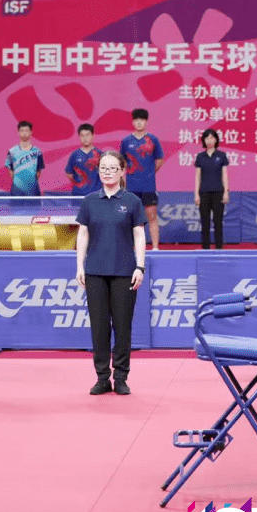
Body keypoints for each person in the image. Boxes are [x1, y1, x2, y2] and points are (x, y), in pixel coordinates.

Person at [75, 151, 147, 396]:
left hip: (124, 272)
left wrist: (140, 266)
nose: (107, 171)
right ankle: (102, 377)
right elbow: (82, 234)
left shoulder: (132, 201)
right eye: (103, 167)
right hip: (95, 272)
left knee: (122, 326)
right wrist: (80, 266)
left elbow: (139, 235)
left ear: (122, 171)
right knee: (99, 327)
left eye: (112, 167)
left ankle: (122, 377)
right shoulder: (90, 201)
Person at [120, 108, 164, 250]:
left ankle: (155, 247)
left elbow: (159, 160)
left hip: (148, 186)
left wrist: (150, 172)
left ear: (146, 122)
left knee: (151, 216)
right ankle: (131, 248)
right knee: (132, 219)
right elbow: (123, 162)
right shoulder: (126, 141)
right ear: (133, 122)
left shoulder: (153, 139)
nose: (139, 122)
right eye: (136, 120)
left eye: (142, 120)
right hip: (131, 187)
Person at [194, 128, 229, 250]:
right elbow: (197, 177)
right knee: (205, 222)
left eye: (212, 138)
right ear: (203, 140)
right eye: (207, 138)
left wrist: (226, 192)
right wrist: (196, 194)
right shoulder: (200, 157)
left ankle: (219, 248)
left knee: (218, 222)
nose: (209, 140)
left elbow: (225, 175)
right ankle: (206, 248)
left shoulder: (221, 156)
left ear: (216, 140)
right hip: (204, 192)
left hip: (218, 192)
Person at [5, 120, 44, 196]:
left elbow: (39, 171)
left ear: (31, 132)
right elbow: (10, 171)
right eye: (22, 131)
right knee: (16, 208)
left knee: (34, 208)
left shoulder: (37, 151)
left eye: (27, 131)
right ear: (18, 133)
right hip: (17, 189)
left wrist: (30, 182)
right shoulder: (12, 151)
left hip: (33, 189)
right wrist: (19, 182)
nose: (24, 133)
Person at [65, 123, 103, 196]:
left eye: (88, 135)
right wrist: (79, 185)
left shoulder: (100, 154)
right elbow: (69, 173)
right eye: (82, 135)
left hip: (96, 195)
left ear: (93, 136)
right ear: (79, 137)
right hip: (78, 195)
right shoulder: (75, 154)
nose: (85, 138)